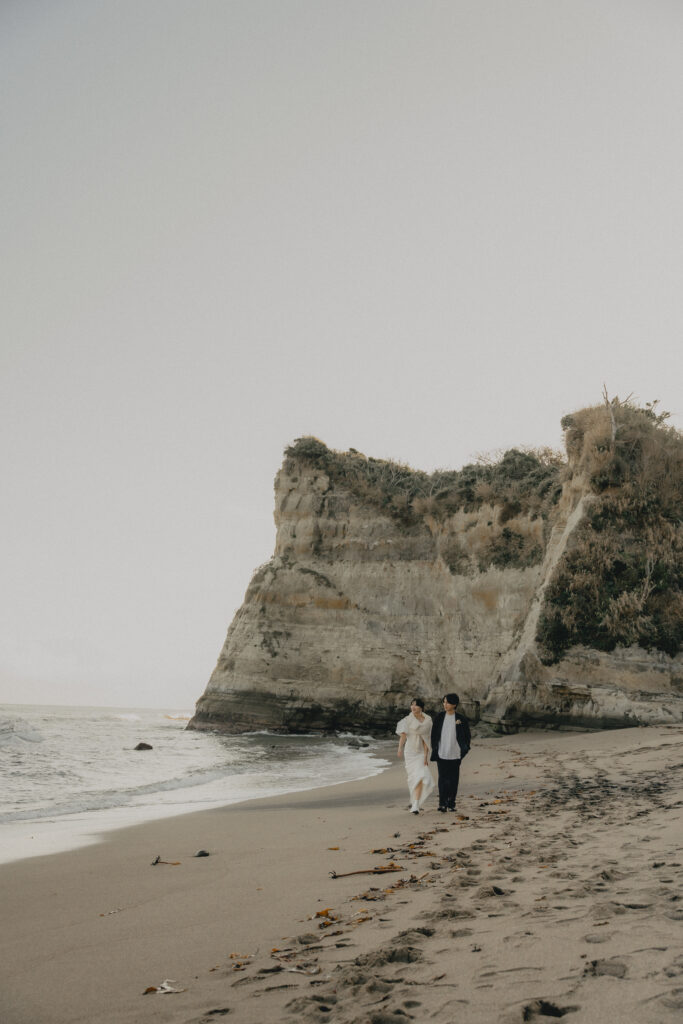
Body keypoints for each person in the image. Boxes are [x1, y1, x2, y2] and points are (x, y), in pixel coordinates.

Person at [430, 692, 471, 812]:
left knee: (453, 780)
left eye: (447, 702)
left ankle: (451, 803)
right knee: (442, 779)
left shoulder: (461, 719)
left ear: (454, 704)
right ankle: (442, 803)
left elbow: (467, 735)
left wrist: (465, 748)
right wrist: (435, 748)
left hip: (455, 754)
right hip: (441, 753)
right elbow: (434, 735)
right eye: (444, 702)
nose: (445, 704)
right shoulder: (439, 717)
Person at [396, 698, 434, 814]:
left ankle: (416, 803)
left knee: (422, 776)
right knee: (414, 777)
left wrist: (425, 757)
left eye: (416, 705)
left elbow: (426, 740)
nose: (413, 707)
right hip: (410, 752)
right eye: (411, 705)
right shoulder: (407, 720)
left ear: (421, 708)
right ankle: (415, 804)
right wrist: (399, 749)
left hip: (421, 752)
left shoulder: (427, 721)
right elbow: (403, 736)